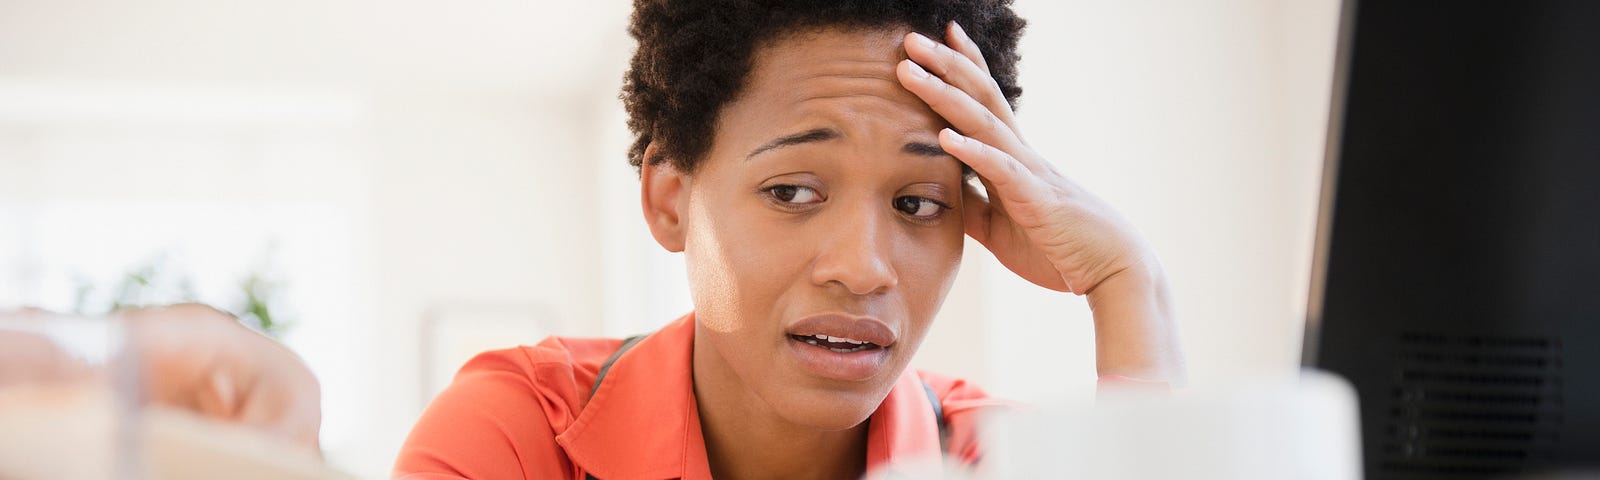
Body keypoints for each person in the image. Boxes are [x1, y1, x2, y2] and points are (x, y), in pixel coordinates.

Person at [394, 0, 1185, 479]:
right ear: (671, 200)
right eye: (793, 192)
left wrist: (1127, 284)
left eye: (917, 203)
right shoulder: (522, 436)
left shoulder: (992, 458)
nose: (863, 269)